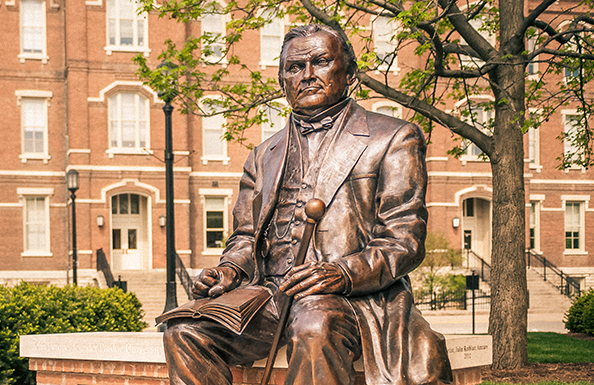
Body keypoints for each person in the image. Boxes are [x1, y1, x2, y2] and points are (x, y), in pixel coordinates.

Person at [163, 24, 452, 385]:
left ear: (350, 74)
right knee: (184, 330)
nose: (308, 75)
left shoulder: (391, 137)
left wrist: (342, 273)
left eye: (320, 62)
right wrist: (229, 271)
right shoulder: (263, 154)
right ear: (283, 81)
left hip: (350, 298)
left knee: (314, 322)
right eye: (295, 67)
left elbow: (403, 240)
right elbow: (245, 236)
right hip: (271, 296)